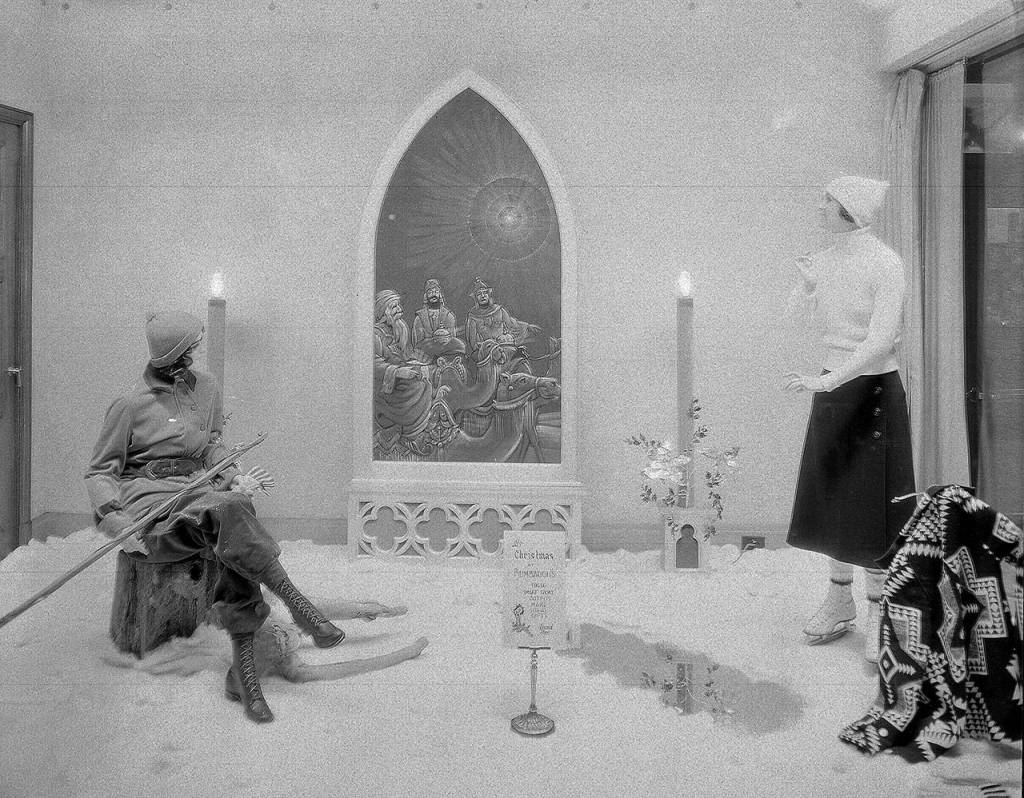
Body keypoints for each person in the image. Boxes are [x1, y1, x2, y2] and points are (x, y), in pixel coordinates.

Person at [85, 311, 345, 724]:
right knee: (228, 515)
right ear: (174, 352)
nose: (197, 351)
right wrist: (115, 520)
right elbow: (101, 472)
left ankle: (246, 672)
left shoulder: (206, 388)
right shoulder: (130, 404)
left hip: (199, 494)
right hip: (152, 506)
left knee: (231, 519)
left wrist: (234, 475)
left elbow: (210, 448)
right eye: (191, 345)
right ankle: (297, 609)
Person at [783, 176, 916, 663]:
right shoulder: (828, 257)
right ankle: (839, 601)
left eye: (829, 200)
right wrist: (806, 285)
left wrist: (826, 381)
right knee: (835, 494)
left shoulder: (886, 262)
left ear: (848, 209)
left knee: (874, 500)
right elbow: (798, 318)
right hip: (837, 386)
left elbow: (880, 342)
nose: (821, 207)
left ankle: (880, 607)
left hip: (872, 391)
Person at [372, 289, 435, 457]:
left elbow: (405, 356)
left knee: (425, 380)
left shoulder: (400, 328)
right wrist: (399, 372)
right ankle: (410, 433)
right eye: (394, 306)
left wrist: (419, 366)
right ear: (384, 310)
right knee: (418, 386)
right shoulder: (375, 334)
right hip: (384, 386)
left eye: (399, 305)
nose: (399, 309)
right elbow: (374, 365)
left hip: (399, 377)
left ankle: (416, 428)